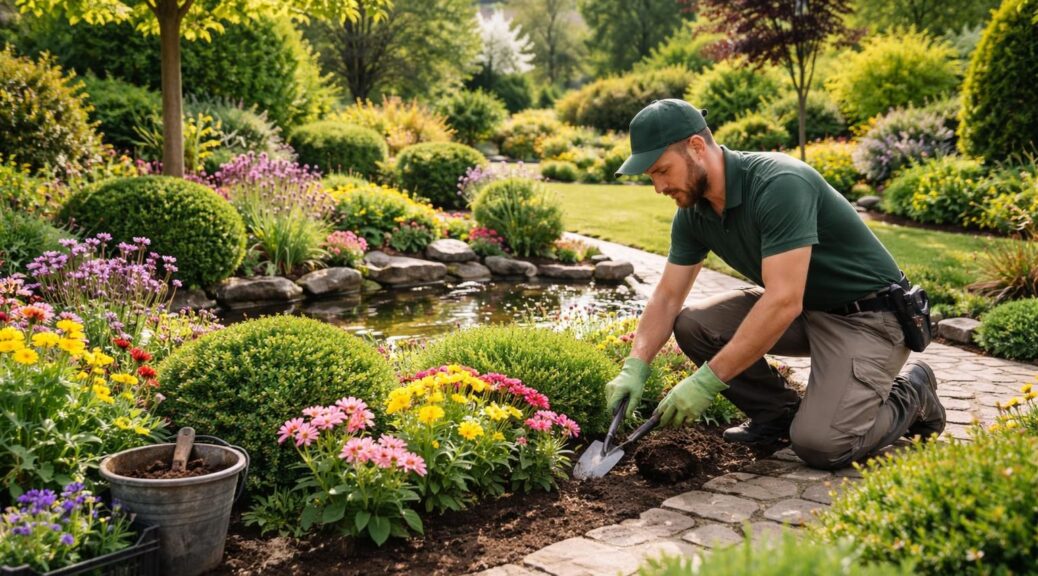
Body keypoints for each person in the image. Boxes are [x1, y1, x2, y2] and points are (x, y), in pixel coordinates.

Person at [603, 98, 946, 470]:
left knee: (822, 446)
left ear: (697, 148)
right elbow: (668, 297)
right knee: (694, 324)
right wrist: (635, 365)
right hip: (808, 309)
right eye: (652, 176)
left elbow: (782, 301)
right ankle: (779, 416)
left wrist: (707, 381)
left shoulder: (778, 183)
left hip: (869, 317)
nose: (658, 186)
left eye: (662, 170)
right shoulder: (693, 214)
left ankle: (913, 392)